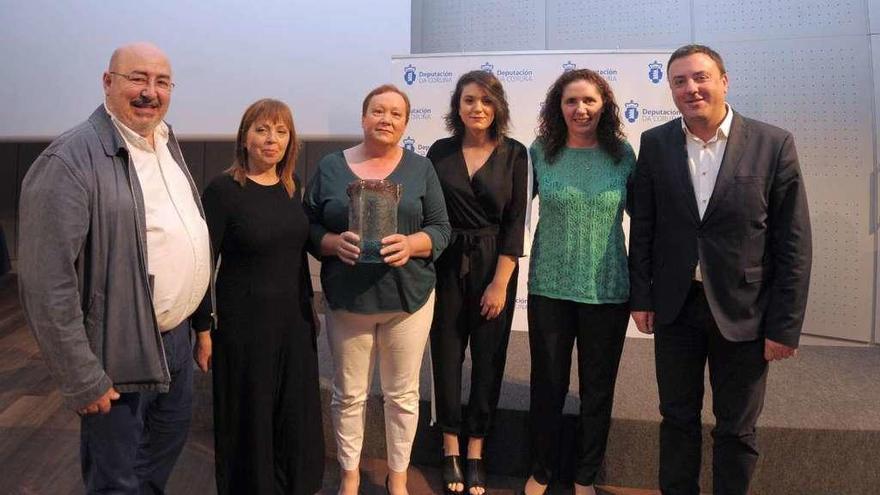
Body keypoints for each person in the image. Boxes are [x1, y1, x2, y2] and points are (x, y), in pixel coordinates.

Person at [17, 42, 212, 493]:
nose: (150, 92)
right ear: (108, 82)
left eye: (161, 82)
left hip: (176, 343)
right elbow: (47, 285)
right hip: (118, 353)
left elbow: (188, 235)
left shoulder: (165, 142)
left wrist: (200, 325)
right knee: (117, 480)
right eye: (137, 79)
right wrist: (80, 377)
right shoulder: (68, 160)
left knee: (155, 466)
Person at [628, 44, 812, 495]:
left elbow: (794, 244)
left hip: (746, 312)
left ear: (724, 81)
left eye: (701, 77)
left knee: (736, 429)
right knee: (676, 420)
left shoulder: (773, 143)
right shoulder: (655, 144)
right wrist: (643, 297)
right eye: (680, 81)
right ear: (670, 89)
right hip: (676, 307)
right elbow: (644, 229)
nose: (691, 88)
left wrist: (784, 327)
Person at [304, 84, 450, 495]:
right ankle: (350, 476)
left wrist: (412, 244)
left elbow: (441, 229)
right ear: (363, 116)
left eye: (395, 114)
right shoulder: (331, 167)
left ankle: (397, 477)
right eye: (377, 111)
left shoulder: (421, 169)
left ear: (405, 123)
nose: (385, 119)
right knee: (348, 394)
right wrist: (331, 243)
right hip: (348, 300)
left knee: (402, 394)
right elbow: (308, 224)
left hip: (408, 299)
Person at [192, 99, 324, 494]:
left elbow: (296, 255)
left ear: (291, 140)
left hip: (294, 323)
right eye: (262, 130)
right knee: (250, 417)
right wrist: (202, 329)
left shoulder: (292, 186)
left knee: (292, 416)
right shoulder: (223, 190)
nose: (272, 140)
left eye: (281, 132)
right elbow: (202, 264)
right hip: (244, 327)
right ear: (244, 137)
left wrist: (310, 310)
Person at [523, 69, 636, 495]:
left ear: (603, 105)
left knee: (597, 390)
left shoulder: (621, 155)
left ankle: (585, 475)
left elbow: (644, 222)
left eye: (589, 100)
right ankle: (541, 470)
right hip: (549, 289)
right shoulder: (540, 152)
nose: (580, 109)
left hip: (606, 291)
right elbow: (511, 214)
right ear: (558, 107)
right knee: (547, 385)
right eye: (571, 101)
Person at [426, 70, 528, 495]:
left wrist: (500, 284)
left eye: (486, 101)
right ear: (458, 106)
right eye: (469, 101)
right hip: (446, 263)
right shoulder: (439, 151)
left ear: (498, 106)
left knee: (488, 360)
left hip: (494, 265)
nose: (477, 109)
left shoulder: (516, 154)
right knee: (446, 356)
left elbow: (515, 223)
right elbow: (427, 213)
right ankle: (449, 446)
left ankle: (476, 451)